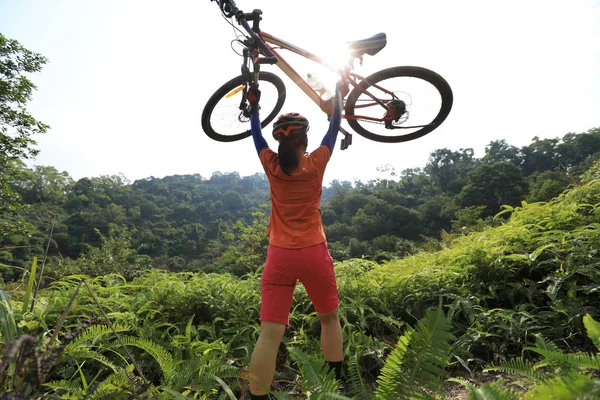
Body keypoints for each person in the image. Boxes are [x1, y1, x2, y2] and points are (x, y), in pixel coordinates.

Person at [244, 79, 347, 399]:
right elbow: (335, 124)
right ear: (305, 141)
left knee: (270, 333)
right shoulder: (315, 163)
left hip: (279, 258)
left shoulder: (272, 165)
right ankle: (333, 387)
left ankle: (256, 397)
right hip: (314, 252)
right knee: (329, 319)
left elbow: (256, 135)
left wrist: (254, 106)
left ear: (279, 144)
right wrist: (339, 91)